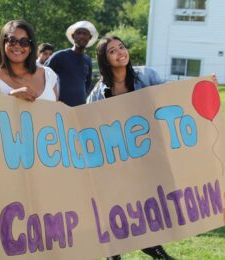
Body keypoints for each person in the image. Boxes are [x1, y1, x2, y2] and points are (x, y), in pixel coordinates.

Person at [87, 35, 174, 260]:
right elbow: (86, 120)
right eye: (112, 51)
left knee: (147, 199)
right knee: (115, 202)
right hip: (115, 156)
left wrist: (202, 85)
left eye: (121, 47)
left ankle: (151, 244)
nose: (120, 52)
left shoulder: (147, 75)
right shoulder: (99, 91)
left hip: (146, 151)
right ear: (105, 59)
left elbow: (170, 97)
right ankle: (113, 252)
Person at [0, 20, 58, 102]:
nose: (17, 46)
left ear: (31, 46)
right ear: (3, 43)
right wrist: (11, 97)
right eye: (12, 41)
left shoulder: (48, 74)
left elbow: (58, 112)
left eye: (24, 42)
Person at [45, 20, 98, 106]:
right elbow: (43, 76)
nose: (82, 36)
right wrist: (54, 99)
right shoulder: (59, 56)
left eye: (85, 34)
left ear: (90, 37)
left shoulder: (88, 60)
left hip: (80, 110)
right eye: (79, 33)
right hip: (59, 109)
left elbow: (87, 84)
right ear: (73, 36)